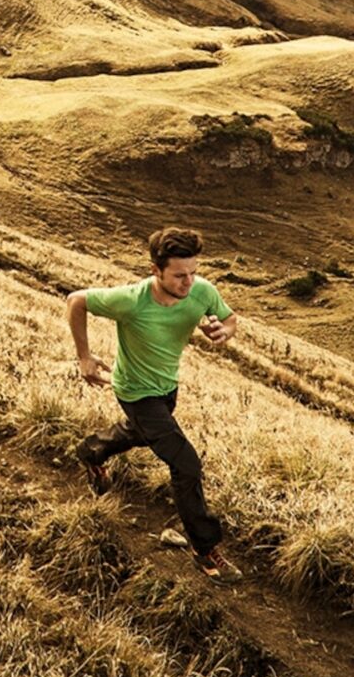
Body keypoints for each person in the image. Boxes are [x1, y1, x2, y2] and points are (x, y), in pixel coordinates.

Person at [67, 225, 239, 577]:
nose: (188, 283)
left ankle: (92, 451)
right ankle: (204, 548)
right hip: (134, 391)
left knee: (141, 434)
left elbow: (229, 317)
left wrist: (225, 332)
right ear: (155, 270)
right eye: (179, 275)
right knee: (186, 464)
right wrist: (84, 357)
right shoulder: (131, 300)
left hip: (166, 389)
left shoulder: (201, 290)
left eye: (193, 272)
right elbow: (76, 300)